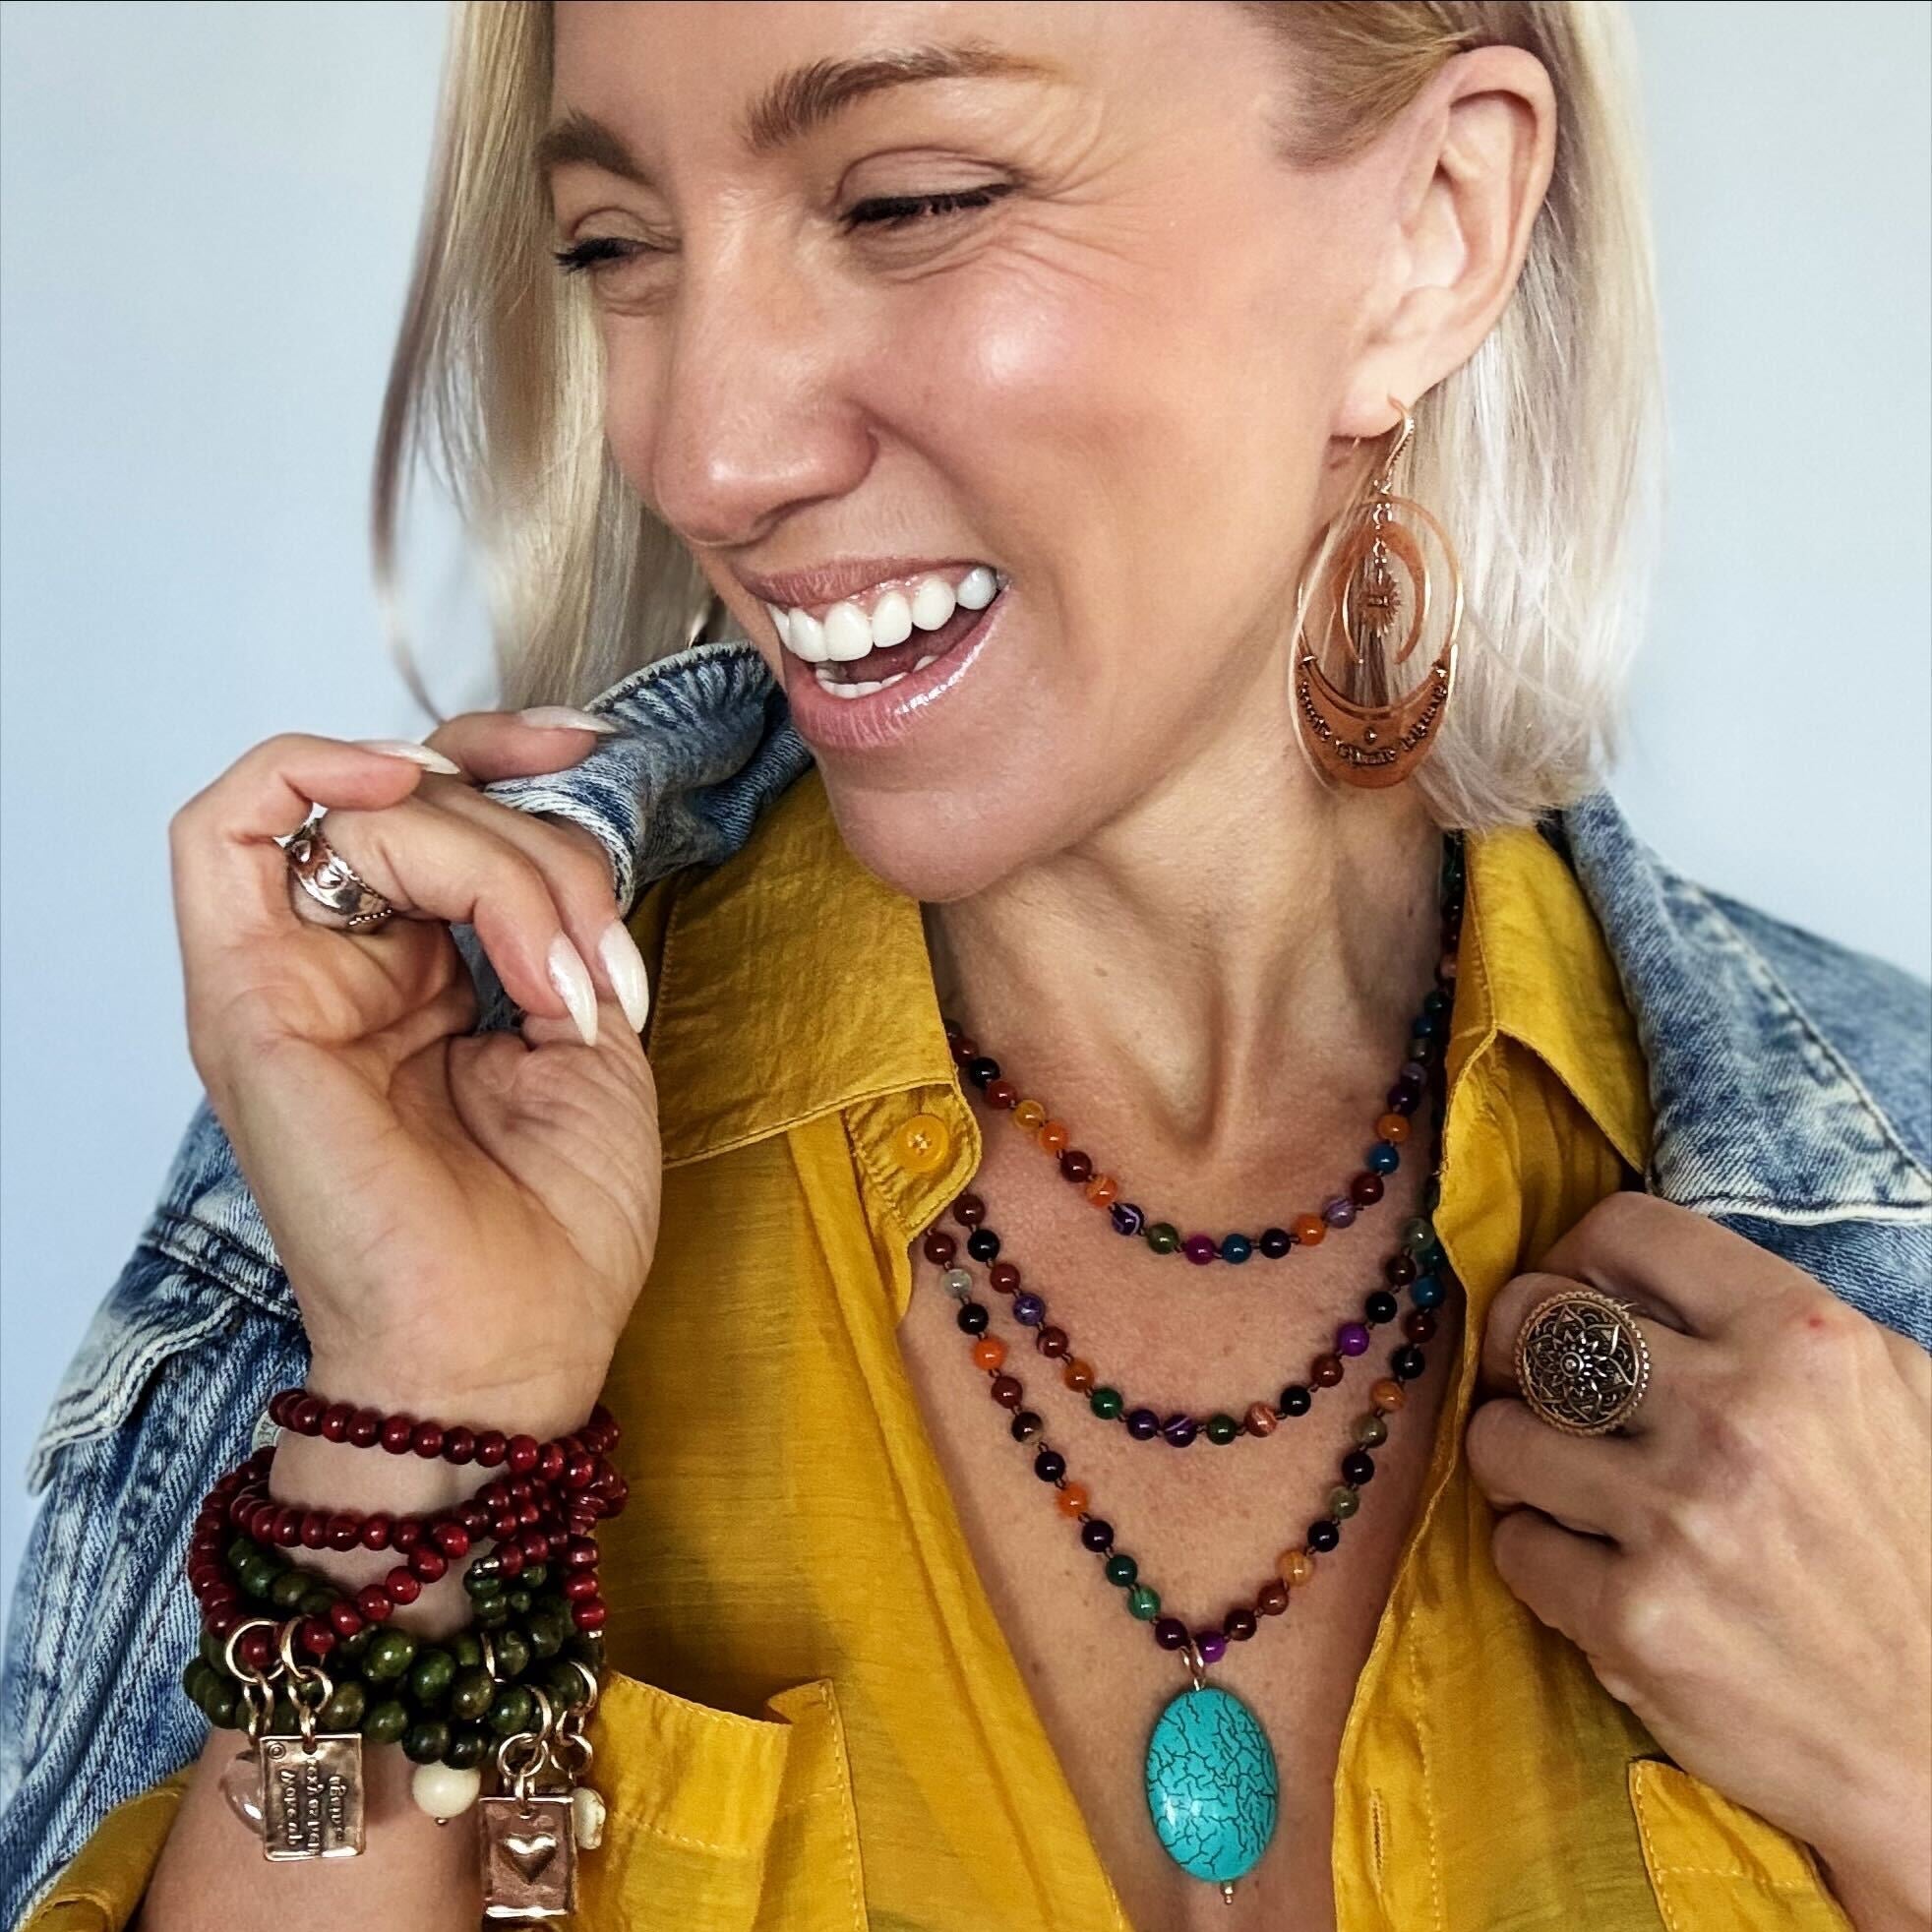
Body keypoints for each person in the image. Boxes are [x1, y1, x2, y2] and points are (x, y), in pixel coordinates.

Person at [2, 2, 1928, 1927]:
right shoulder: (471, 1162)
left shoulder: (1872, 1231)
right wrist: (421, 1426)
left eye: (909, 200)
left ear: (1430, 223)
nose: (706, 452)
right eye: (618, 247)